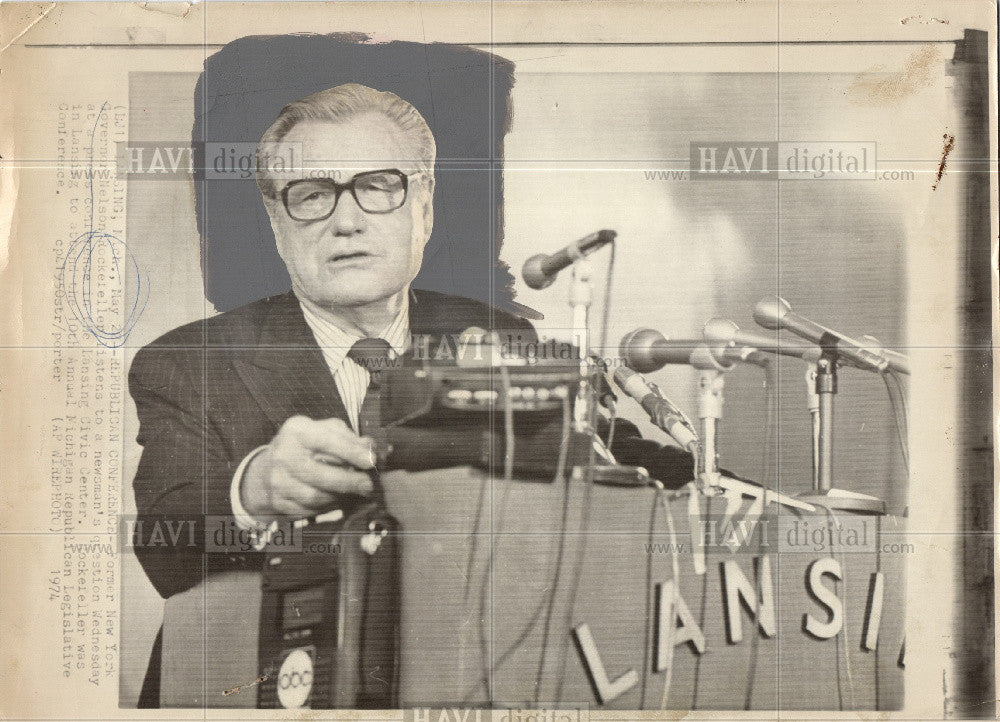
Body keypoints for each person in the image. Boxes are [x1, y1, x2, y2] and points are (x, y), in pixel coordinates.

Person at [128, 83, 694, 706]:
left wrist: (756, 493)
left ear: (424, 207)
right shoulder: (190, 360)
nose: (346, 221)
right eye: (312, 195)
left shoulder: (499, 333)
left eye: (377, 187)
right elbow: (164, 536)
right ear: (276, 224)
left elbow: (623, 456)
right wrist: (257, 487)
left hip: (460, 682)